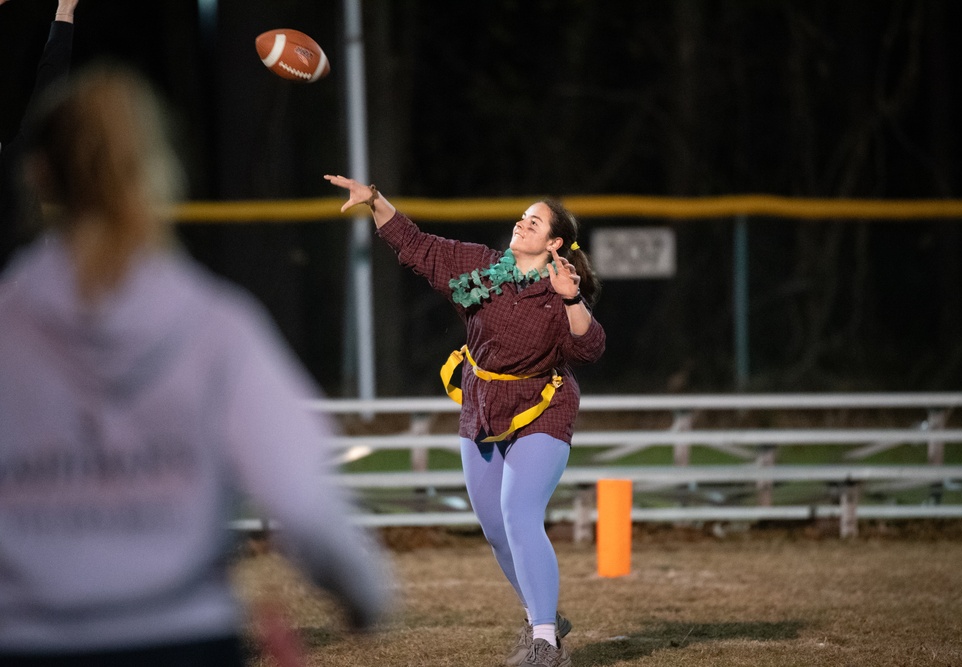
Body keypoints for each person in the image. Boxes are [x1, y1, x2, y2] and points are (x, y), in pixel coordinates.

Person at [0, 65, 394, 665]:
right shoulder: (216, 326)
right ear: (157, 174)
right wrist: (365, 598)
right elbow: (305, 503)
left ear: (38, 175)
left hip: (28, 641)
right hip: (184, 635)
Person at [325, 174, 606, 667]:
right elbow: (418, 247)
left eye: (535, 222)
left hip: (542, 408)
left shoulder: (560, 289)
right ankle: (542, 615)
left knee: (519, 513)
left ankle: (545, 642)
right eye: (523, 217)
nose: (522, 224)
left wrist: (571, 299)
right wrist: (374, 200)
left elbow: (590, 348)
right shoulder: (482, 267)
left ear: (555, 243)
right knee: (495, 527)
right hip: (482, 404)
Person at [0, 0, 78, 271]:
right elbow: (49, 90)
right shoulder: (12, 167)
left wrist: (64, 12)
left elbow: (49, 91)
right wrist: (64, 12)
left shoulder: (11, 165)